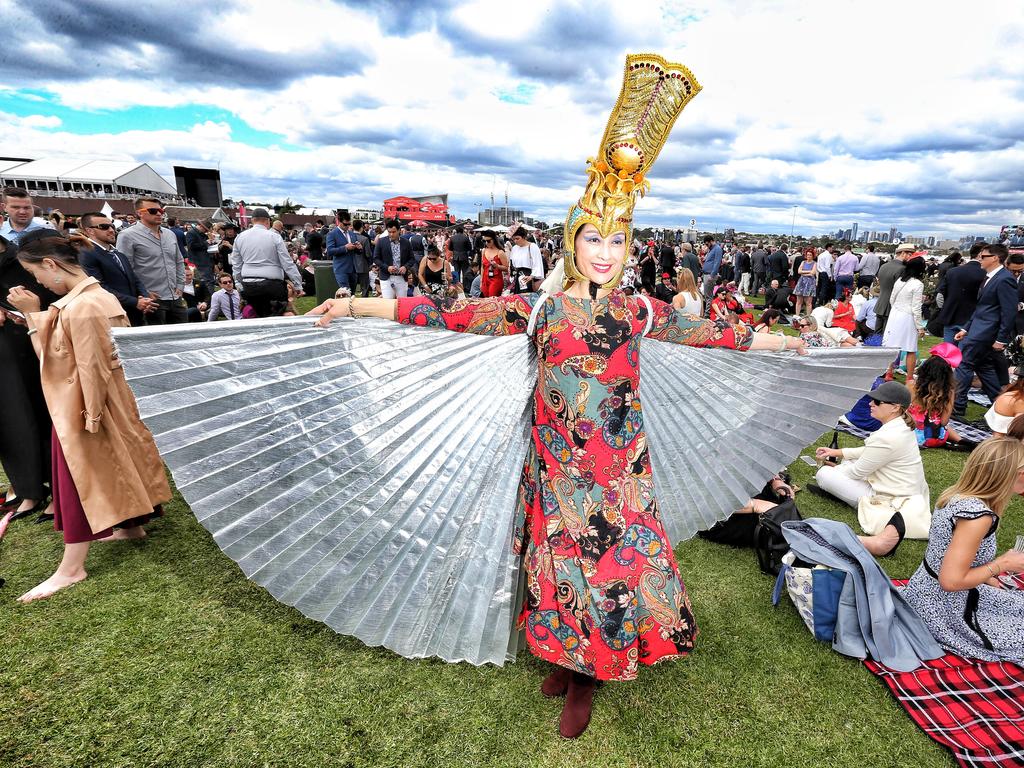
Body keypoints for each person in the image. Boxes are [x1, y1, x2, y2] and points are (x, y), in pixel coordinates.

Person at [306, 53, 806, 739]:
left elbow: (708, 331)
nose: (606, 251)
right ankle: (568, 662)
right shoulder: (537, 310)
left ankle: (589, 676)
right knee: (551, 568)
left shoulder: (637, 311)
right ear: (573, 242)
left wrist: (781, 343)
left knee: (606, 574)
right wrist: (356, 308)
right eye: (594, 238)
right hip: (550, 469)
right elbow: (446, 314)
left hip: (616, 478)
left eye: (618, 240)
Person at [5, 230, 170, 603]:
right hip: (102, 401)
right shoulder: (92, 299)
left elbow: (78, 364)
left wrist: (90, 416)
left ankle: (71, 568)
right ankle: (131, 527)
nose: (39, 282)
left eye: (37, 274)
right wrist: (36, 318)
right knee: (117, 464)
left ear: (51, 264)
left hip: (85, 404)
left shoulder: (83, 306)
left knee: (80, 477)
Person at [901, 433, 1024, 662]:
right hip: (943, 610)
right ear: (1013, 475)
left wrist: (986, 577)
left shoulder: (956, 496)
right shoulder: (978, 517)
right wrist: (1002, 564)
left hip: (924, 591)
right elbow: (950, 581)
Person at [814, 381, 929, 515]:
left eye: (877, 401)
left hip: (892, 501)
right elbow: (872, 451)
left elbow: (855, 473)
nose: (870, 403)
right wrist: (838, 452)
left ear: (895, 407)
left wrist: (835, 468)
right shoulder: (902, 424)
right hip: (908, 493)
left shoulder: (887, 436)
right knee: (848, 461)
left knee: (824, 474)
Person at [953, 244, 1018, 418]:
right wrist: (966, 328)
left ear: (995, 258)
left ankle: (958, 406)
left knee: (963, 364)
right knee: (984, 368)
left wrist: (1001, 339)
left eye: (983, 257)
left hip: (985, 333)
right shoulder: (990, 277)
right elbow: (982, 308)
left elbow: (1009, 311)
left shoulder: (1005, 279)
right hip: (978, 330)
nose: (979, 260)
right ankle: (1000, 405)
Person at [115, 197, 186, 325]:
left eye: (160, 210)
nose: (159, 213)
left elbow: (178, 261)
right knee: (158, 342)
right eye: (153, 211)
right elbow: (125, 268)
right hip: (151, 299)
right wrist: (142, 292)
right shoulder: (127, 235)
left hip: (174, 296)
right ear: (139, 213)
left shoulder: (170, 234)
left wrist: (180, 285)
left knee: (183, 338)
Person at [77, 212, 156, 327]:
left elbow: (134, 278)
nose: (111, 230)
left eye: (112, 226)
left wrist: (144, 298)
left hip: (134, 315)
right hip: (113, 317)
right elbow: (99, 287)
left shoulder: (118, 254)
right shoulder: (86, 254)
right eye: (104, 227)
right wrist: (135, 302)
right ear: (90, 231)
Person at [231, 208, 305, 317]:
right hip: (272, 285)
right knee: (277, 318)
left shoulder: (240, 237)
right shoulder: (274, 237)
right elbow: (287, 263)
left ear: (252, 221)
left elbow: (236, 264)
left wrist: (238, 283)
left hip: (249, 285)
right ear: (268, 221)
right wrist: (297, 284)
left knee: (258, 317)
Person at [906, 347, 964, 448]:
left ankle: (961, 441)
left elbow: (902, 411)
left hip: (910, 434)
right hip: (935, 438)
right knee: (936, 422)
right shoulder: (949, 391)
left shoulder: (911, 385)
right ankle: (961, 440)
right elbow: (944, 422)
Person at [882, 257, 926, 382]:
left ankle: (889, 373)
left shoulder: (899, 281)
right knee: (910, 348)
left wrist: (897, 308)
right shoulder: (918, 284)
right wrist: (920, 327)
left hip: (895, 314)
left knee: (892, 346)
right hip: (907, 316)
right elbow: (916, 308)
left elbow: (892, 299)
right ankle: (909, 377)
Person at [931, 244, 984, 343]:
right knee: (966, 354)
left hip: (951, 316)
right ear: (981, 254)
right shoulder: (985, 274)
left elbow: (940, 295)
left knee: (949, 354)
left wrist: (945, 308)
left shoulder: (953, 271)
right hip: (972, 320)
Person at [372, 220, 416, 300]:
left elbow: (412, 259)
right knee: (387, 303)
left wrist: (405, 267)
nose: (391, 234)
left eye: (394, 232)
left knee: (402, 303)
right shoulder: (381, 241)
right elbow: (376, 258)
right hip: (386, 277)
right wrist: (387, 267)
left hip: (401, 277)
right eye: (389, 232)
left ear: (399, 230)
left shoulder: (406, 242)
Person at [874, 243, 912, 333]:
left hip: (880, 303)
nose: (910, 258)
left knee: (877, 333)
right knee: (887, 334)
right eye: (909, 255)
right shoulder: (902, 269)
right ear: (903, 253)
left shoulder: (884, 266)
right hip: (892, 305)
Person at [509, 227, 544, 293]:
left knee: (527, 297)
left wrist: (532, 276)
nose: (515, 241)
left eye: (517, 238)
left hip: (529, 276)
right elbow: (511, 263)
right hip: (518, 276)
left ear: (524, 237)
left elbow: (537, 263)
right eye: (514, 239)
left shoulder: (532, 246)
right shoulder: (514, 248)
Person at [479, 230, 507, 298]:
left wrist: (497, 266)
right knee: (485, 300)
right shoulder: (484, 250)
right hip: (485, 280)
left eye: (488, 241)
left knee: (492, 300)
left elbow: (506, 268)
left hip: (496, 280)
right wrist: (481, 281)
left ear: (494, 240)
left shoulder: (500, 252)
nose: (486, 243)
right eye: (484, 241)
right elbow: (482, 267)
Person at [793, 248, 817, 317]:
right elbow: (799, 271)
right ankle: (797, 315)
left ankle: (808, 316)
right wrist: (808, 272)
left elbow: (813, 273)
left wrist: (804, 273)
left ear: (813, 256)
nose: (809, 256)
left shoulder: (815, 263)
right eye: (807, 255)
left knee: (808, 302)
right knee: (799, 301)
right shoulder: (803, 262)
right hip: (801, 282)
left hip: (810, 283)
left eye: (810, 255)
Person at [701, 234, 723, 306]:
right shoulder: (712, 249)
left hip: (710, 275)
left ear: (711, 241)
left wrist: (712, 275)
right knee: (707, 295)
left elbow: (717, 263)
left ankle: (708, 314)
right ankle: (707, 312)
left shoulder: (717, 249)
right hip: (707, 274)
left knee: (708, 296)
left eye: (707, 244)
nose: (706, 245)